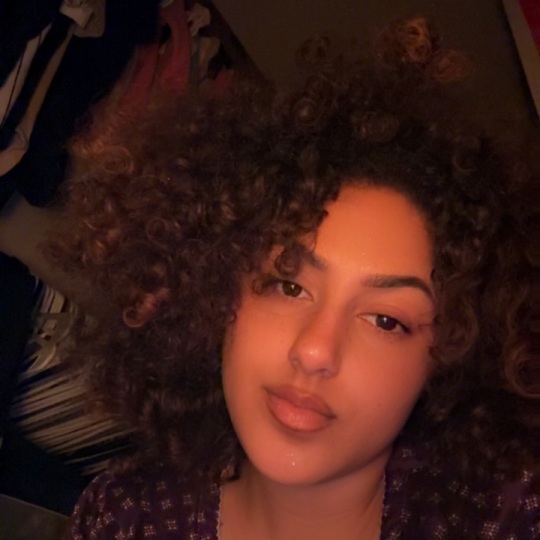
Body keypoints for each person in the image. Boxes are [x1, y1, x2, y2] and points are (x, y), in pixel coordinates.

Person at [51, 17, 538, 540]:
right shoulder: (124, 516)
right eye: (288, 285)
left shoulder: (509, 520)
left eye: (385, 320)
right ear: (214, 294)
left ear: (446, 364)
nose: (314, 350)